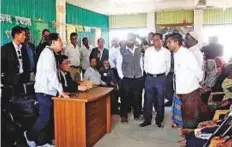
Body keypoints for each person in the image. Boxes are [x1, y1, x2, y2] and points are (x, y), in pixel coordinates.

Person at [24, 33, 69, 147]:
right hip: (43, 91)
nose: (61, 43)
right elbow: (51, 74)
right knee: (44, 117)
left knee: (47, 118)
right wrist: (61, 90)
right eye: (59, 40)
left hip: (48, 90)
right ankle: (30, 136)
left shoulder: (50, 53)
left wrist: (59, 90)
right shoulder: (47, 54)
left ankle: (41, 142)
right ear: (53, 42)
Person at [166, 32, 209, 128]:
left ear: (176, 42)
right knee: (184, 115)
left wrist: (197, 84)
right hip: (181, 90)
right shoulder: (175, 53)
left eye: (169, 42)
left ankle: (189, 138)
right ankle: (187, 135)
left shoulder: (187, 54)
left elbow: (198, 72)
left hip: (190, 91)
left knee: (190, 117)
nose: (167, 44)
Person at [140, 33, 171, 128]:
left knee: (160, 99)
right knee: (147, 99)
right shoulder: (148, 51)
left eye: (157, 39)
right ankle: (147, 120)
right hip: (149, 78)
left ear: (162, 40)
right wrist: (149, 73)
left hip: (160, 78)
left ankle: (159, 120)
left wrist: (161, 75)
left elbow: (168, 66)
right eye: (153, 40)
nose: (155, 41)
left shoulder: (166, 52)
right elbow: (144, 63)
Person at [116, 33, 144, 123]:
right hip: (126, 78)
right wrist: (122, 77)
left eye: (132, 39)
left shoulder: (138, 50)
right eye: (129, 39)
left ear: (134, 40)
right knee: (125, 97)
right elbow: (118, 65)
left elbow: (141, 63)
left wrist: (141, 73)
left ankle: (137, 114)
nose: (130, 41)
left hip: (138, 77)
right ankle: (124, 116)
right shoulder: (121, 50)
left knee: (137, 97)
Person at [1, 25, 30, 91]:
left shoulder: (24, 48)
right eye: (23, 35)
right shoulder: (5, 49)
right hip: (9, 83)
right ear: (16, 35)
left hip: (22, 81)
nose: (25, 37)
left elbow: (27, 64)